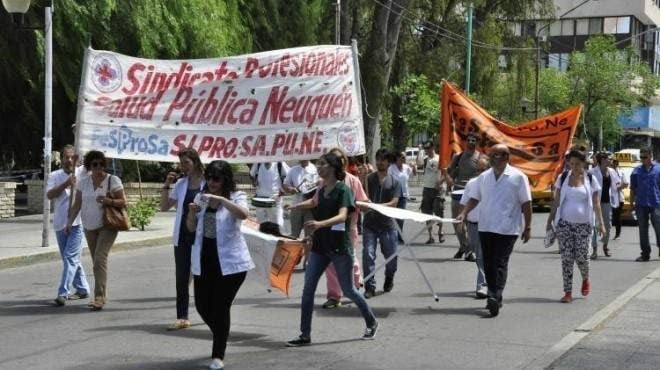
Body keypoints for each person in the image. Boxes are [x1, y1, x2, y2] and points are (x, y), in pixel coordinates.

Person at [286, 152, 378, 347]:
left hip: (339, 247)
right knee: (307, 290)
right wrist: (295, 206)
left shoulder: (343, 190)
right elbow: (313, 202)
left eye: (322, 164)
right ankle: (304, 335)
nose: (318, 167)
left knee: (349, 290)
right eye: (318, 164)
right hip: (320, 247)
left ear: (333, 168)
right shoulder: (321, 187)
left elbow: (343, 215)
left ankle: (372, 322)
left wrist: (320, 224)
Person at [186, 160, 254, 370]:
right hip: (205, 260)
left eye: (216, 178)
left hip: (230, 263)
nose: (212, 183)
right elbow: (191, 228)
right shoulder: (201, 197)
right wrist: (191, 212)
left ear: (225, 179)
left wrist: (221, 200)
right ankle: (222, 333)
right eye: (209, 178)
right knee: (201, 306)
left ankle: (218, 354)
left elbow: (243, 214)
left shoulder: (236, 196)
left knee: (221, 307)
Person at [457, 144, 532, 317]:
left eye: (496, 155)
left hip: (507, 229)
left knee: (500, 263)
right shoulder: (484, 177)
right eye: (491, 155)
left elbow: (526, 203)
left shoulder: (518, 177)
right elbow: (474, 198)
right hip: (486, 227)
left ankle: (495, 296)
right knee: (488, 263)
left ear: (506, 157)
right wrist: (463, 213)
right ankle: (493, 294)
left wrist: (527, 226)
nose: (491, 158)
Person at [66, 150, 126, 311]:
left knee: (100, 259)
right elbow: (77, 204)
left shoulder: (112, 180)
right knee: (96, 262)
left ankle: (99, 297)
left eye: (101, 164)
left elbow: (123, 202)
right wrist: (69, 222)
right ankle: (102, 294)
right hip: (89, 226)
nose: (98, 167)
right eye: (94, 164)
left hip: (107, 225)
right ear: (89, 166)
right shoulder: (83, 182)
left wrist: (108, 200)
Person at [546, 149, 605, 303]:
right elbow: (557, 201)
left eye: (577, 164)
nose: (574, 167)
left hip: (584, 225)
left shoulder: (591, 178)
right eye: (571, 163)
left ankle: (585, 278)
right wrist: (549, 221)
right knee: (566, 258)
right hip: (564, 224)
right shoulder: (563, 177)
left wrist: (601, 224)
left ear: (584, 163)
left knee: (582, 257)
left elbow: (597, 204)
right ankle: (568, 292)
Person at [160, 148, 205, 330]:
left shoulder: (207, 183)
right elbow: (164, 207)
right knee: (181, 278)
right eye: (181, 163)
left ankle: (210, 312)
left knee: (203, 277)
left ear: (195, 162)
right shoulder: (180, 184)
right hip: (183, 235)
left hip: (202, 236)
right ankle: (182, 316)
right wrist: (166, 184)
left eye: (186, 162)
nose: (183, 167)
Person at [318, 147, 367, 309]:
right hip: (328, 229)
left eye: (339, 159)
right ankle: (334, 296)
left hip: (348, 229)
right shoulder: (323, 183)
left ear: (344, 162)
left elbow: (364, 203)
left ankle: (355, 287)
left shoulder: (353, 181)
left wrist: (352, 204)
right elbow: (315, 202)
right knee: (330, 264)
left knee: (349, 259)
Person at [46, 145, 89, 306]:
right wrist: (65, 184)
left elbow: (100, 158)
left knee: (70, 258)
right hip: (60, 224)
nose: (69, 160)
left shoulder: (83, 171)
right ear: (61, 159)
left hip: (77, 223)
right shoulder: (54, 175)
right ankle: (83, 289)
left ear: (77, 158)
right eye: (66, 157)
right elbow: (49, 195)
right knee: (69, 259)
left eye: (72, 157)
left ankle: (62, 293)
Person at [362, 148, 401, 298]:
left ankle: (389, 277)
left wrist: (376, 206)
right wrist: (361, 178)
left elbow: (394, 203)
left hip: (388, 226)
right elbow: (363, 198)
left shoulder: (395, 182)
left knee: (391, 258)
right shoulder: (369, 179)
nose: (380, 162)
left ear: (388, 162)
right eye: (378, 159)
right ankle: (369, 286)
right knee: (368, 254)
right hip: (370, 224)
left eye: (383, 160)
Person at [446, 132, 485, 261]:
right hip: (458, 192)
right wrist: (449, 179)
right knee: (457, 223)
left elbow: (486, 175)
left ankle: (467, 249)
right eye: (469, 140)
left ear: (477, 143)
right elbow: (448, 172)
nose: (471, 142)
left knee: (471, 225)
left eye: (474, 140)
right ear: (465, 142)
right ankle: (466, 247)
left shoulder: (481, 158)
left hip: (473, 195)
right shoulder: (458, 156)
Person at [459, 157, 490, 299]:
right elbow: (464, 203)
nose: (479, 173)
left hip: (489, 226)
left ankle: (482, 285)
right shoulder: (471, 184)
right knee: (480, 257)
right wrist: (461, 220)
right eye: (477, 170)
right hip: (473, 226)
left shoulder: (493, 184)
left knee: (484, 256)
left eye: (482, 170)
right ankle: (489, 282)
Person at [282, 160, 319, 268]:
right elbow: (285, 184)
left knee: (309, 235)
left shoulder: (316, 169)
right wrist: (290, 189)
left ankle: (307, 260)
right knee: (294, 235)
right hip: (296, 205)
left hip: (310, 206)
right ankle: (292, 259)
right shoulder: (293, 170)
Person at [588, 152, 621, 259]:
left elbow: (617, 184)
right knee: (595, 225)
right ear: (602, 160)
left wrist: (622, 185)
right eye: (608, 159)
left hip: (607, 202)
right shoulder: (592, 172)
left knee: (607, 225)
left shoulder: (611, 171)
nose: (610, 161)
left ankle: (605, 246)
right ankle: (594, 249)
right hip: (595, 202)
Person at [630, 147, 660, 262]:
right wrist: (632, 203)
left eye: (645, 157)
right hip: (641, 204)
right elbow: (633, 189)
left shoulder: (658, 169)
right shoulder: (636, 171)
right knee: (643, 230)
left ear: (651, 155)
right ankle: (645, 254)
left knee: (658, 227)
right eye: (641, 157)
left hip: (656, 203)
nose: (643, 159)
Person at [249, 161, 290, 230]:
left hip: (275, 199)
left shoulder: (279, 162)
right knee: (261, 224)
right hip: (260, 199)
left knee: (277, 224)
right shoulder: (258, 163)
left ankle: (277, 238)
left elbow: (289, 175)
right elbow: (251, 175)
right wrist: (254, 182)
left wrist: (283, 189)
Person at [420, 140, 446, 244]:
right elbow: (418, 164)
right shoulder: (425, 159)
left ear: (433, 147)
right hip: (427, 188)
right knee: (427, 212)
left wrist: (440, 181)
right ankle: (430, 236)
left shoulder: (440, 158)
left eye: (429, 148)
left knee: (439, 210)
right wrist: (419, 152)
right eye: (426, 149)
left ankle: (440, 231)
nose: (428, 150)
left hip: (438, 189)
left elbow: (446, 173)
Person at [388, 151, 413, 243]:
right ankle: (393, 235)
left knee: (401, 216)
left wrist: (414, 168)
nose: (404, 158)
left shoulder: (406, 168)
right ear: (397, 158)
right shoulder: (391, 168)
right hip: (394, 195)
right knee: (393, 215)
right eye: (402, 157)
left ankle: (400, 235)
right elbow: (388, 180)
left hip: (404, 194)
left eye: (404, 157)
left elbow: (411, 175)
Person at [611, 159, 628, 240]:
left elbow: (626, 183)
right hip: (609, 197)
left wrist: (619, 187)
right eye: (614, 163)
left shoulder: (621, 172)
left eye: (616, 163)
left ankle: (617, 234)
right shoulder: (608, 172)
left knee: (617, 217)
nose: (615, 164)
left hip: (619, 197)